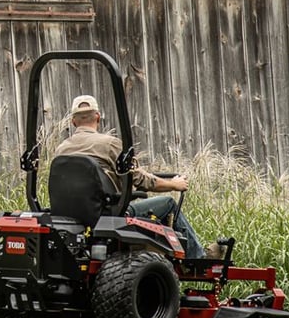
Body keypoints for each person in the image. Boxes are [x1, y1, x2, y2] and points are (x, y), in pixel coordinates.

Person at [51, 94, 221, 260]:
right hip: (109, 216)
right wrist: (174, 184)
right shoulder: (109, 144)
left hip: (70, 218)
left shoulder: (61, 149)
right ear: (98, 117)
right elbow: (140, 180)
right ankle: (198, 257)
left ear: (73, 122)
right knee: (168, 204)